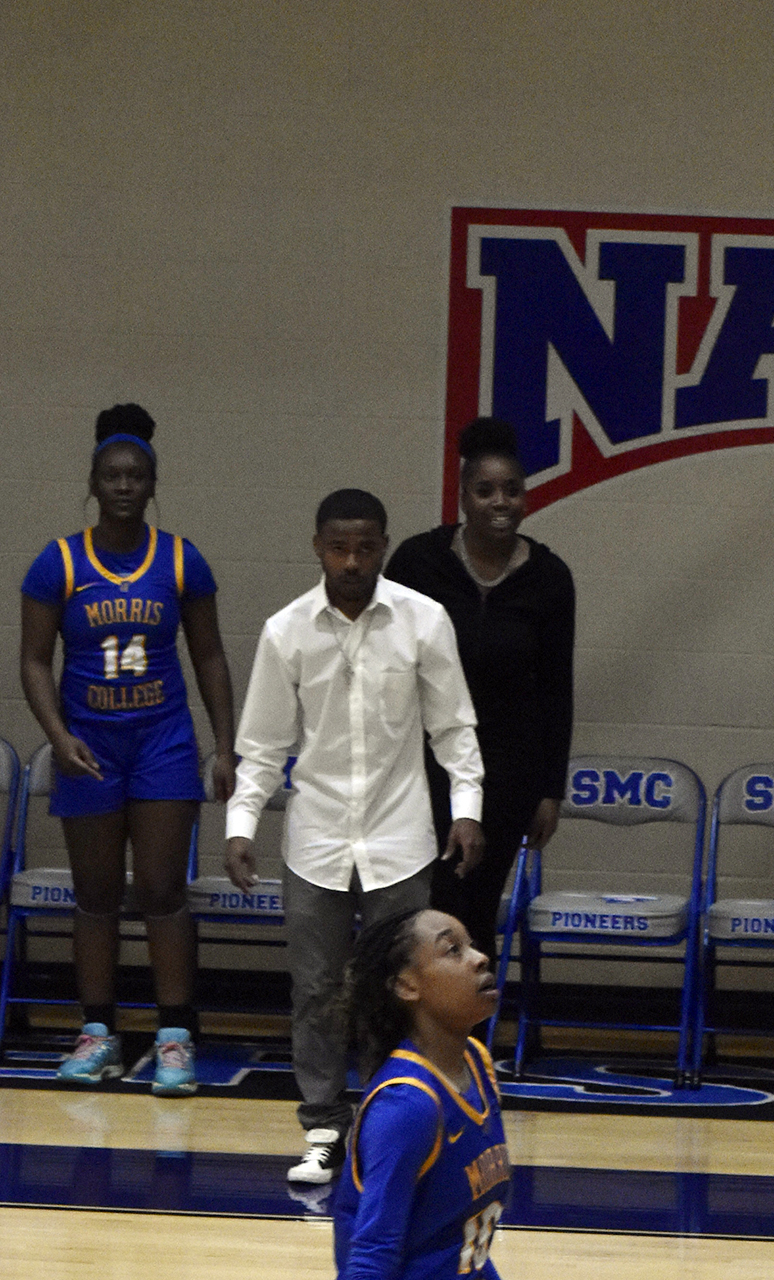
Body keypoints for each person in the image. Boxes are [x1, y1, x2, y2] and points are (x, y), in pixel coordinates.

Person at [225, 488, 485, 1184]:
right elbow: (261, 745)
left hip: (400, 837)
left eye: (365, 547)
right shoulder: (287, 631)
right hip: (317, 840)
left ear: (382, 546)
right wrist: (241, 823)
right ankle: (321, 1129)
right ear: (317, 546)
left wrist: (468, 807)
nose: (351, 560)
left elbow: (454, 727)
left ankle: (390, 1126)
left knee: (403, 990)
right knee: (315, 989)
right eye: (338, 547)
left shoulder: (423, 621)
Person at [17, 404, 236, 1096]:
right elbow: (31, 661)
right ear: (93, 480)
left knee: (165, 892)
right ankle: (97, 1030)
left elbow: (208, 655)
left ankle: (174, 1036)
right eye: (111, 475)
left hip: (163, 740)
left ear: (151, 483)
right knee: (97, 896)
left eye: (135, 475)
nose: (122, 485)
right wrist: (59, 737)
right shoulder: (57, 561)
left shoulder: (179, 558)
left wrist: (225, 744)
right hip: (91, 743)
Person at [385, 417, 575, 961]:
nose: (500, 502)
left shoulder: (550, 577)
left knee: (476, 906)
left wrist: (549, 789)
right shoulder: (419, 563)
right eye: (485, 490)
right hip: (427, 764)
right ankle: (418, 1030)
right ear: (463, 497)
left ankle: (466, 1036)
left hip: (509, 770)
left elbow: (556, 687)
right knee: (431, 902)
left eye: (512, 490)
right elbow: (388, 669)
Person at [332, 907, 510, 1280]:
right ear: (407, 986)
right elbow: (371, 1254)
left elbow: (461, 1243)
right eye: (453, 950)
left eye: (472, 946)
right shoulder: (407, 1107)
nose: (480, 959)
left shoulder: (476, 1061)